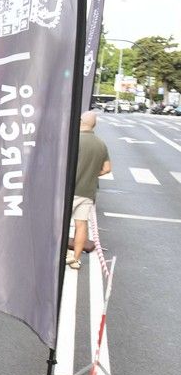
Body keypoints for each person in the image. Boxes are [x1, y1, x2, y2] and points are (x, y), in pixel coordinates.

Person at [69, 111, 112, 269]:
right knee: (81, 225)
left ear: (80, 121)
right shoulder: (101, 144)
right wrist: (93, 173)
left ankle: (55, 256)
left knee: (60, 224)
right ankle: (76, 259)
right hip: (87, 191)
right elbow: (107, 168)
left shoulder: (74, 140)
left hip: (69, 190)